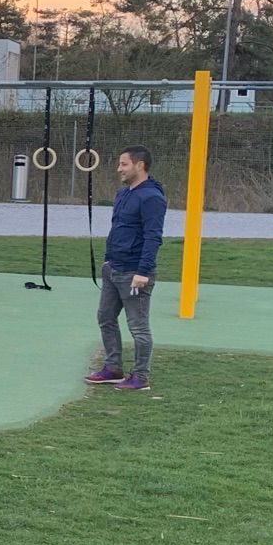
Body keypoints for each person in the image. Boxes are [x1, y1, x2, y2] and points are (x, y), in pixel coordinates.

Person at [85, 145, 166, 391]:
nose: (118, 168)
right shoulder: (123, 193)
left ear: (139, 165)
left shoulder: (152, 198)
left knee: (138, 326)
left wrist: (143, 271)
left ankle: (140, 377)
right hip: (113, 268)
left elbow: (153, 237)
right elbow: (118, 228)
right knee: (105, 317)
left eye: (124, 164)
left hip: (134, 273)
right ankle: (113, 368)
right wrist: (107, 260)